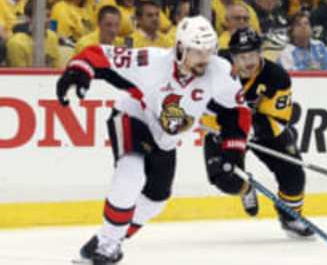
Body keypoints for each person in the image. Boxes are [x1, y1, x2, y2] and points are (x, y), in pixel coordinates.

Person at [55, 15, 251, 264]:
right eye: (197, 52)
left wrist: (232, 150)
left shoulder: (220, 71)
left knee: (156, 199)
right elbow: (99, 54)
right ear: (180, 49)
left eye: (209, 51)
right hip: (134, 115)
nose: (205, 59)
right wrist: (78, 72)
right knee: (131, 172)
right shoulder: (151, 62)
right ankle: (106, 248)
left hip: (165, 137)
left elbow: (237, 111)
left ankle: (106, 238)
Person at [202, 27, 315, 239]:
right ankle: (246, 188)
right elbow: (199, 103)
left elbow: (279, 120)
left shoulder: (276, 77)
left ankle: (290, 217)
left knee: (293, 172)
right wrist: (230, 130)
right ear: (232, 56)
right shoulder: (215, 69)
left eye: (253, 55)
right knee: (226, 179)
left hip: (260, 128)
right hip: (224, 127)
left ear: (260, 52)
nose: (249, 62)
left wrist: (250, 130)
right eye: (242, 57)